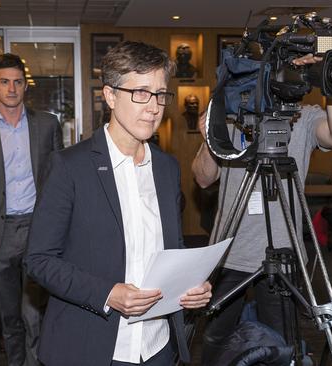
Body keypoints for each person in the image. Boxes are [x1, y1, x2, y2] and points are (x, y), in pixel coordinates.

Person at [24, 41, 212, 366]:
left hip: (157, 347)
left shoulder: (167, 168)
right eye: (140, 92)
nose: (153, 106)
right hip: (92, 346)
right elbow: (38, 259)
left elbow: (171, 247)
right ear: (110, 96)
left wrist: (190, 283)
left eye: (160, 94)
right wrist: (107, 293)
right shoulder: (69, 167)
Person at [192, 55, 332, 363]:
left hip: (283, 250)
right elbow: (202, 179)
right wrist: (209, 137)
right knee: (214, 342)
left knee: (281, 346)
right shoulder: (229, 115)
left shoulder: (305, 117)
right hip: (228, 253)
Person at [0, 53, 63, 366]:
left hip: (38, 231)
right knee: (10, 319)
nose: (12, 88)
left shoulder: (47, 125)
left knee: (34, 316)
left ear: (25, 86)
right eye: (4, 81)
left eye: (18, 82)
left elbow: (61, 183)